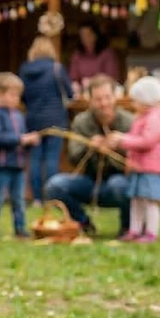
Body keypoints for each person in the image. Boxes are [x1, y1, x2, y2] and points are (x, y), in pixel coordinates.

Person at [43, 74, 133, 237]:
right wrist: (88, 147)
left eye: (107, 97)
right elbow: (73, 157)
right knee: (54, 186)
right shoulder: (81, 121)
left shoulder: (129, 121)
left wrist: (121, 145)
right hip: (89, 182)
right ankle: (82, 223)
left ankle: (127, 228)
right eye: (98, 99)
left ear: (115, 97)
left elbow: (140, 157)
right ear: (90, 101)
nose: (103, 103)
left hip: (119, 181)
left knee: (121, 185)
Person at [107, 76, 160, 243]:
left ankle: (151, 232)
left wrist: (123, 140)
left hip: (150, 169)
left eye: (135, 100)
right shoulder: (141, 118)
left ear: (146, 101)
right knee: (136, 200)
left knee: (149, 201)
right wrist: (122, 139)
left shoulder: (155, 119)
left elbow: (147, 141)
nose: (133, 104)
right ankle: (134, 230)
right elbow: (135, 138)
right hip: (138, 167)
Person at [0, 72, 38, 239]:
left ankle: (20, 229)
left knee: (19, 200)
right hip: (1, 165)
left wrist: (29, 142)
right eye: (12, 94)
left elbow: (21, 139)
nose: (16, 99)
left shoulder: (18, 115)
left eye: (18, 95)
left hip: (18, 165)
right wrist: (21, 139)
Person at [19, 36, 73, 207]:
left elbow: (23, 97)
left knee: (35, 159)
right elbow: (70, 94)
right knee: (51, 159)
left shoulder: (24, 70)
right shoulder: (56, 68)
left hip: (33, 119)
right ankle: (51, 196)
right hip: (56, 119)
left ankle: (36, 198)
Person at [69, 22, 118, 92]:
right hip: (82, 93)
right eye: (82, 35)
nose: (85, 38)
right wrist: (75, 84)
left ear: (96, 35)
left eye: (88, 35)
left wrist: (93, 82)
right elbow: (73, 77)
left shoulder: (107, 54)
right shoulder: (77, 54)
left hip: (102, 92)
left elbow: (112, 77)